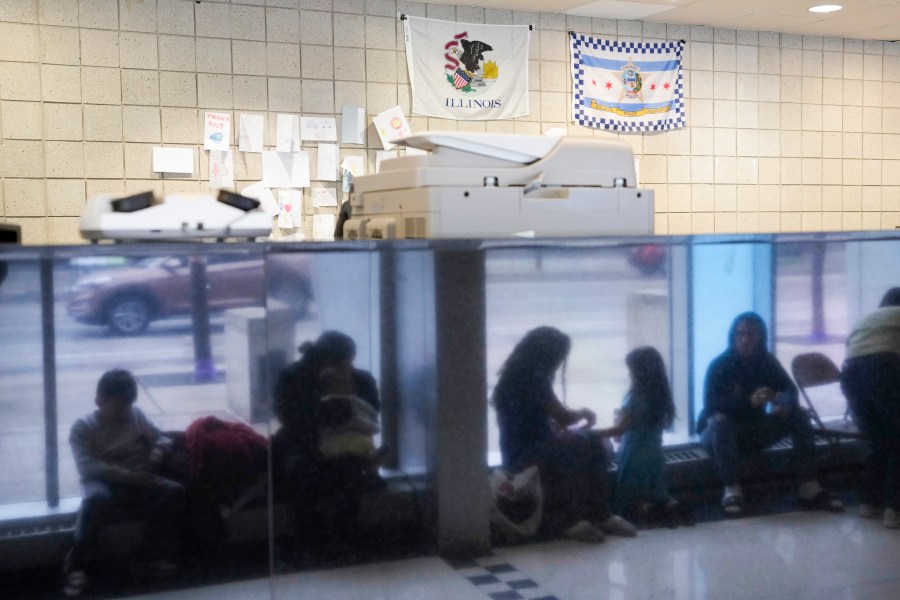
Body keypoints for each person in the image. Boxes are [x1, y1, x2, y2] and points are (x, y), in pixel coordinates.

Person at [492, 326, 636, 543]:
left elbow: (532, 419)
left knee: (582, 442)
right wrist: (584, 414)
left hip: (518, 452)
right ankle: (586, 516)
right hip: (530, 453)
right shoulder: (536, 380)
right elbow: (563, 417)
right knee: (586, 443)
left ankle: (590, 516)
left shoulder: (512, 378)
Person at [698, 312, 843, 517]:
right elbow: (711, 406)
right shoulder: (720, 365)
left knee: (800, 415)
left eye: (751, 335)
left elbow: (789, 390)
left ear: (760, 338)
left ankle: (808, 485)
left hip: (753, 429)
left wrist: (781, 403)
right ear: (733, 336)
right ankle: (731, 489)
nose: (745, 339)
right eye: (740, 334)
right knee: (722, 422)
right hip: (718, 433)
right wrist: (749, 401)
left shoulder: (766, 362)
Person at [64, 369, 185, 597]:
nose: (124, 414)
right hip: (103, 480)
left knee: (175, 493)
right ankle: (77, 561)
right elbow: (87, 466)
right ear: (99, 401)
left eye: (127, 407)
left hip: (138, 476)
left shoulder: (136, 416)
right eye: (118, 407)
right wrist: (127, 475)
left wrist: (157, 450)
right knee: (95, 500)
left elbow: (161, 436)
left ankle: (149, 553)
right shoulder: (83, 427)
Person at [272, 331, 382, 564]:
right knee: (301, 472)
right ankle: (315, 541)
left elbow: (372, 413)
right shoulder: (293, 377)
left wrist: (345, 400)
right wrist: (328, 412)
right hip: (305, 445)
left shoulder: (359, 379)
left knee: (346, 469)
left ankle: (337, 540)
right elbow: (289, 418)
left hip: (340, 446)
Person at [595, 347, 683, 527]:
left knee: (632, 495)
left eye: (631, 371)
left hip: (634, 454)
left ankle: (645, 511)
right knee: (658, 491)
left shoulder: (634, 398)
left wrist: (591, 434)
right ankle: (672, 507)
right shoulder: (660, 397)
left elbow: (619, 430)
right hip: (655, 453)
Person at [841, 287, 900, 528]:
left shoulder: (866, 319)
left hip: (851, 375)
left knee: (880, 439)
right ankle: (894, 508)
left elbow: (850, 349)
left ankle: (869, 502)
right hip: (884, 368)